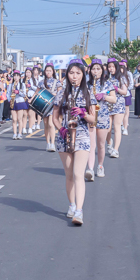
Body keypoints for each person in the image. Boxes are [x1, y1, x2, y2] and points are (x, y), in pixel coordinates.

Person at [54, 58, 96, 225]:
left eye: (78, 73)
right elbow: (54, 117)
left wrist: (83, 113)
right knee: (69, 175)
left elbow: (93, 119)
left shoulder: (88, 92)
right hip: (64, 137)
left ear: (83, 75)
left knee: (79, 174)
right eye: (71, 73)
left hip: (82, 135)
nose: (74, 76)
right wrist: (61, 129)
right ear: (67, 74)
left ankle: (79, 211)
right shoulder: (61, 93)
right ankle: (71, 205)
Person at [85, 59, 117, 181]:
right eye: (93, 69)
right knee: (91, 144)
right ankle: (90, 169)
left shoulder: (107, 84)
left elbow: (114, 99)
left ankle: (100, 166)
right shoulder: (86, 84)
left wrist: (104, 96)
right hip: (90, 116)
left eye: (98, 69)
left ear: (102, 70)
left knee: (101, 144)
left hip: (103, 115)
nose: (95, 71)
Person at [107, 59, 129, 155]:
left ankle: (116, 150)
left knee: (117, 127)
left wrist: (116, 89)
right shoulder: (106, 78)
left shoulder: (121, 78)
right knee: (107, 128)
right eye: (109, 67)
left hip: (118, 103)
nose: (111, 69)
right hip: (108, 104)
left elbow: (124, 92)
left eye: (113, 67)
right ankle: (109, 143)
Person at [41, 63, 60, 151]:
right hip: (44, 105)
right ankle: (48, 143)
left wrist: (55, 94)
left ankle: (52, 143)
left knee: (51, 124)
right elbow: (37, 92)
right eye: (47, 71)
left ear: (53, 72)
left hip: (53, 105)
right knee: (46, 125)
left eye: (50, 71)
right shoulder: (41, 82)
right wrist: (31, 100)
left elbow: (60, 93)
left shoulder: (57, 82)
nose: (48, 72)